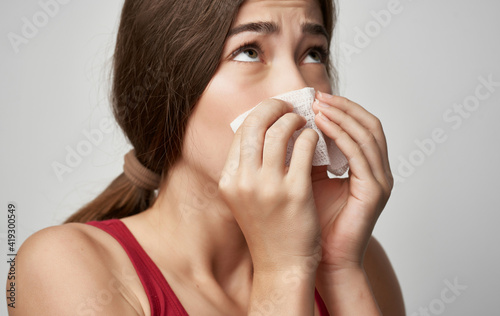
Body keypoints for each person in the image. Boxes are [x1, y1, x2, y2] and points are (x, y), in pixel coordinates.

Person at [6, 0, 405, 315]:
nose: (297, 86)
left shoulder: (360, 261)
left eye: (313, 53)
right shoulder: (60, 267)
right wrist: (284, 271)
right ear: (170, 84)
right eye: (249, 51)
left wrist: (336, 269)